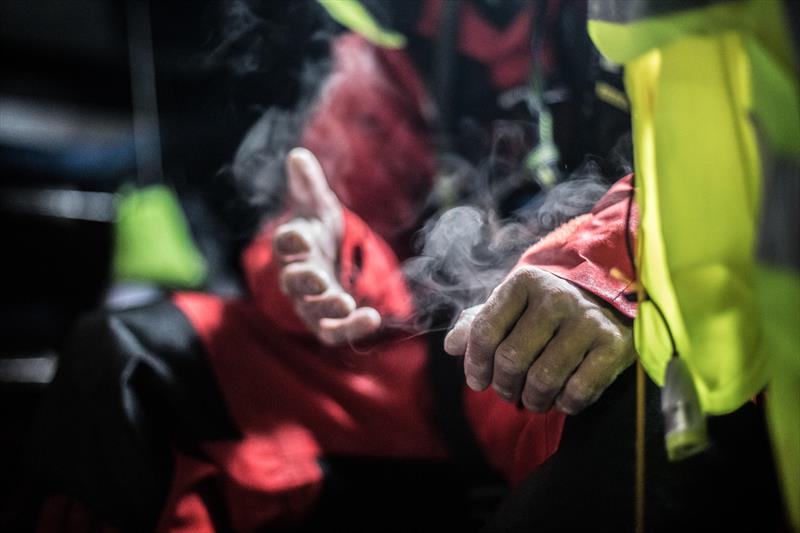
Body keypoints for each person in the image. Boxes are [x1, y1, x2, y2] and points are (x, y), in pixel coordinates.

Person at [30, 2, 641, 531]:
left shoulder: (663, 16)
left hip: (594, 346)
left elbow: (722, 180)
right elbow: (339, 202)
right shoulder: (409, 26)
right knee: (126, 360)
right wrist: (323, 259)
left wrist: (601, 271)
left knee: (658, 425)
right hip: (427, 369)